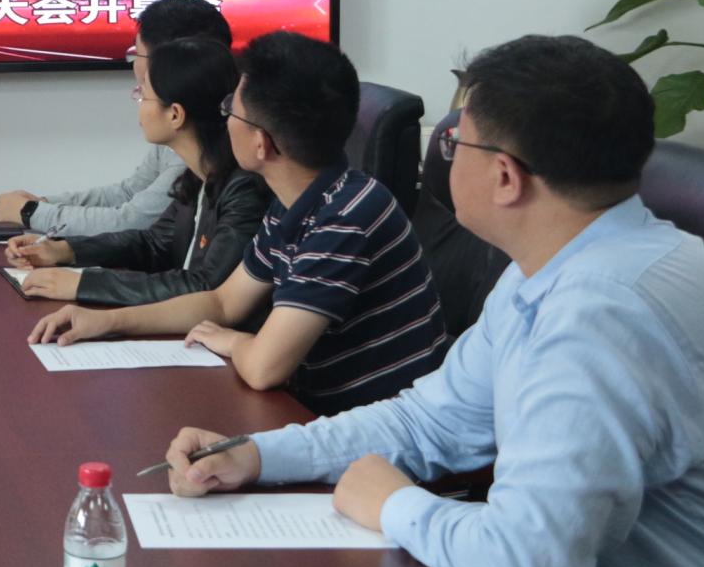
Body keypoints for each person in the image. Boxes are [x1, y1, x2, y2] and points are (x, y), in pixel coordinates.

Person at [159, 36, 704, 567]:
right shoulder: (559, 268)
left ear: (505, 177)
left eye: (454, 142)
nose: (439, 157)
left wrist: (394, 504)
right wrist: (258, 455)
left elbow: (530, 565)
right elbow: (428, 422)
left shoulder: (597, 317)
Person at [29, 32, 446, 415]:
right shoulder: (300, 198)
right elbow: (223, 302)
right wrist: (108, 321)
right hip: (315, 411)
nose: (223, 118)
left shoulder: (344, 218)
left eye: (231, 109)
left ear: (261, 144)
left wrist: (232, 340)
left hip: (371, 431)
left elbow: (264, 367)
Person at [4, 37, 268, 307]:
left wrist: (83, 284)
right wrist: (64, 249)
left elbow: (204, 287)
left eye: (143, 95)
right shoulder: (196, 176)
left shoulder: (243, 189)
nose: (138, 103)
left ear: (175, 114)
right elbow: (153, 242)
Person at [0, 0, 231, 236]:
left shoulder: (199, 138)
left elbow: (134, 221)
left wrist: (31, 213)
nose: (134, 66)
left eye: (137, 54)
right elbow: (129, 193)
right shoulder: (180, 127)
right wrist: (42, 204)